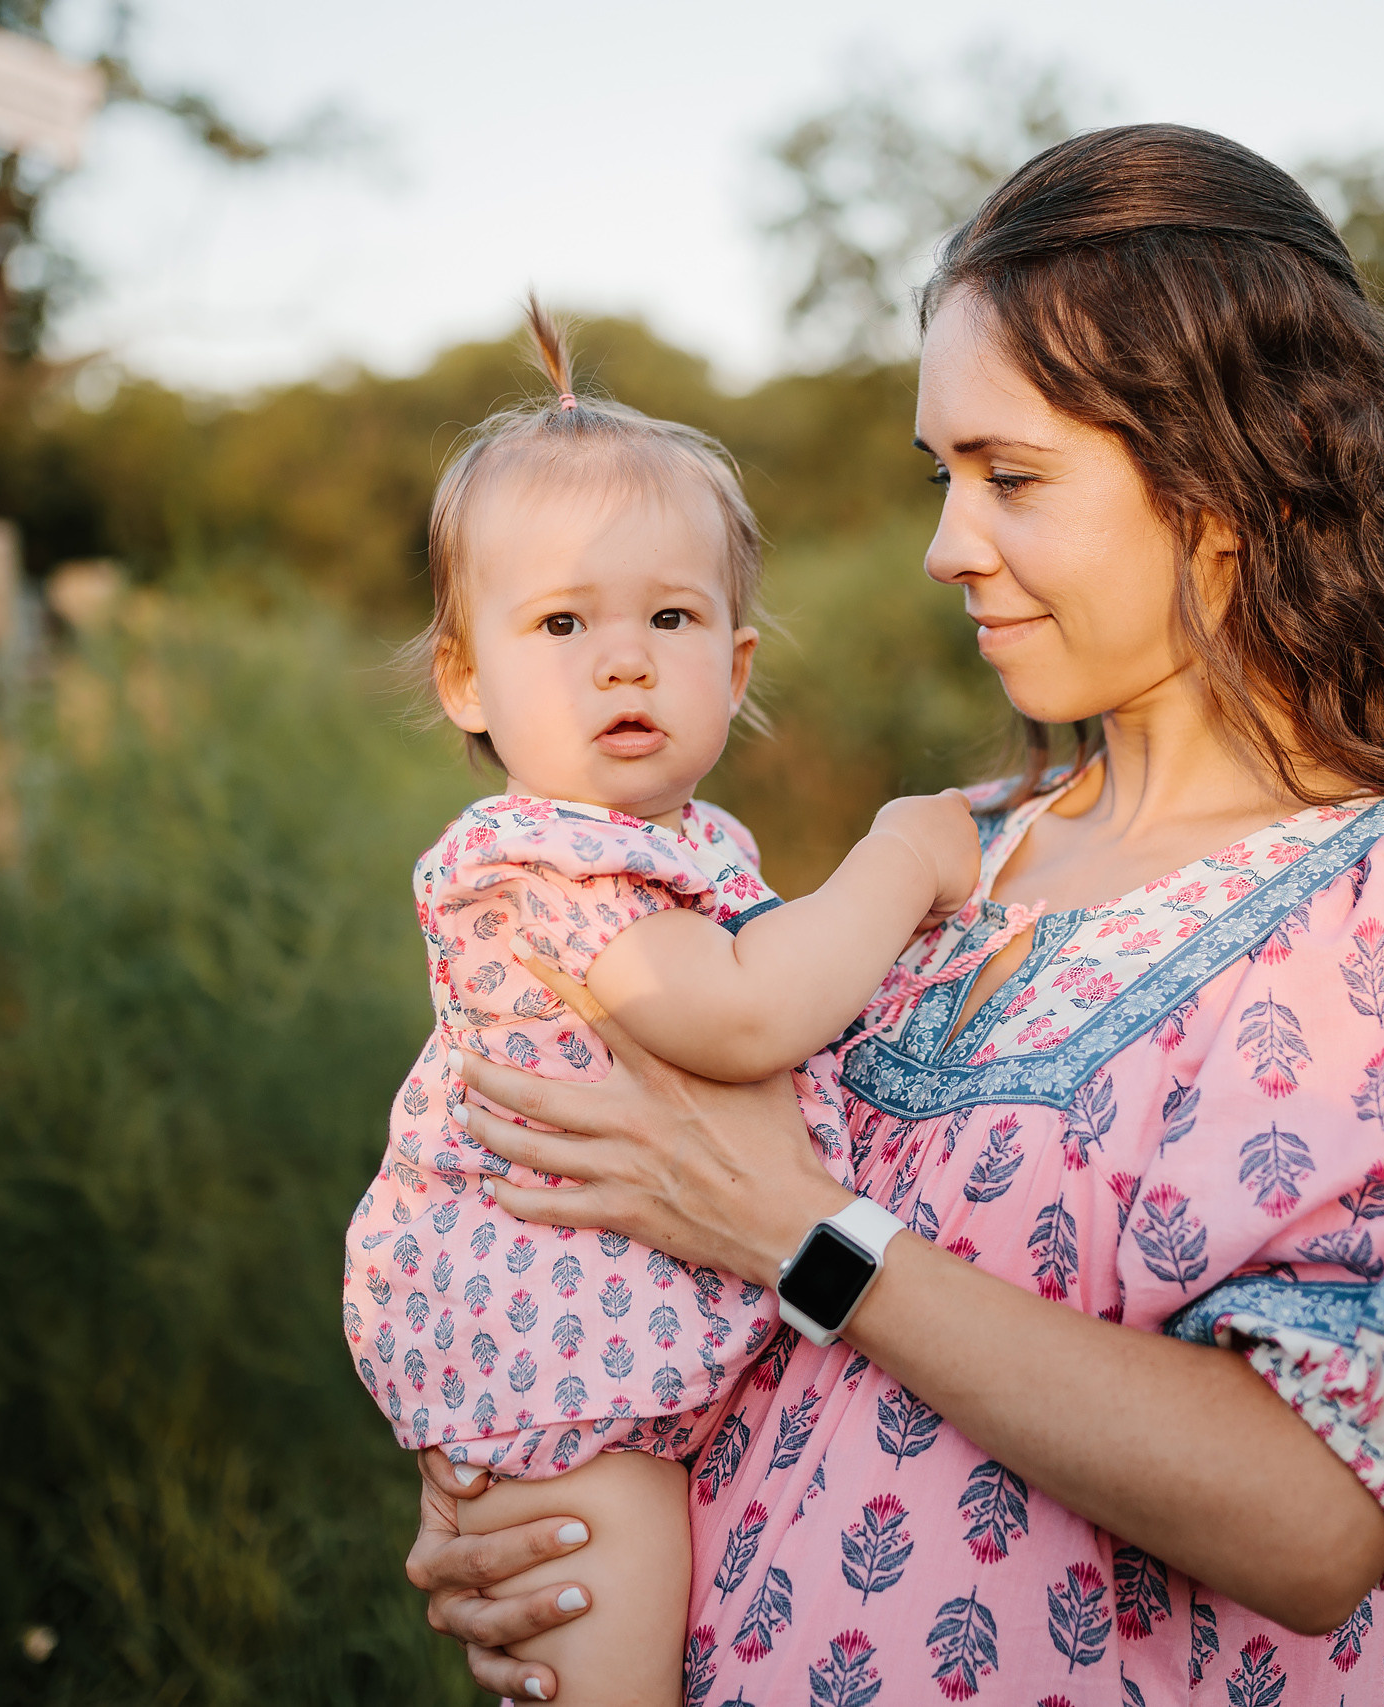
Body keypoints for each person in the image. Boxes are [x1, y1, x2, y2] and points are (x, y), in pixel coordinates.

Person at [407, 127, 1384, 1707]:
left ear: (1226, 484)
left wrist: (809, 1242)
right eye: (942, 477)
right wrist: (533, 1525)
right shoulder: (961, 864)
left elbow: (1322, 1517)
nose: (946, 546)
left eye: (1011, 477)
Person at [340, 301, 988, 1706]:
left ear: (736, 667)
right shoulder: (533, 865)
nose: (623, 659)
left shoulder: (673, 846)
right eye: (563, 620)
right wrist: (902, 860)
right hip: (568, 1383)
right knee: (609, 1632)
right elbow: (743, 1017)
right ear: (467, 677)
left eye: (672, 617)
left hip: (635, 1339)